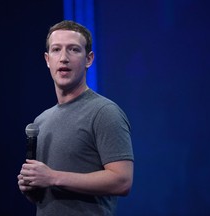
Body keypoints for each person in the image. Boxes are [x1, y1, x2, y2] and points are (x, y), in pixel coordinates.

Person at [17, 20, 134, 216]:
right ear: (47, 59)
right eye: (56, 50)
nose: (63, 58)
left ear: (89, 59)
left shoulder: (104, 112)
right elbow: (48, 196)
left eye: (73, 50)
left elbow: (122, 181)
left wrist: (53, 177)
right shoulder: (41, 122)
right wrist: (32, 187)